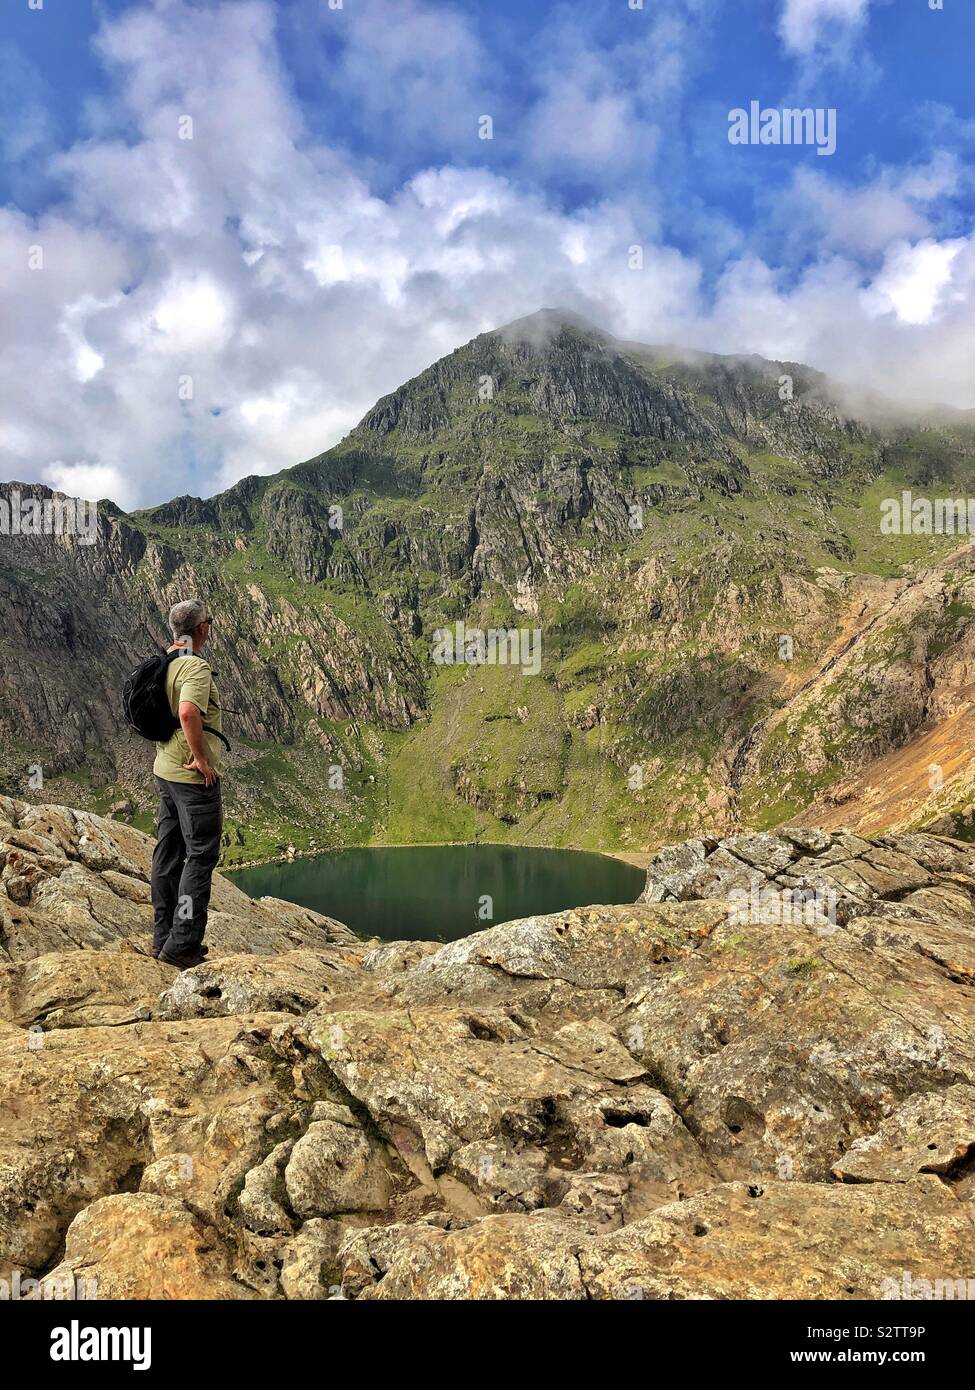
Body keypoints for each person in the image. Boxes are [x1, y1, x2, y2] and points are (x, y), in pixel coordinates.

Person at [150, 598, 224, 968]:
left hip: (165, 771)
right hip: (191, 779)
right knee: (200, 857)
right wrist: (202, 759)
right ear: (201, 629)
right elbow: (188, 712)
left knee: (168, 854)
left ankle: (162, 938)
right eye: (208, 622)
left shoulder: (166, 661)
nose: (209, 627)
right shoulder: (194, 665)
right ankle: (183, 945)